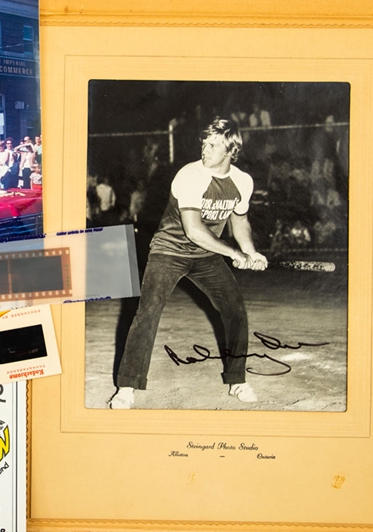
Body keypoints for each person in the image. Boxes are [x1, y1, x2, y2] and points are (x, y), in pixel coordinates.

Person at [109, 117, 268, 409]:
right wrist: (234, 254)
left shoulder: (243, 181)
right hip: (169, 251)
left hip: (206, 257)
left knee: (235, 311)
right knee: (148, 313)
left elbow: (239, 221)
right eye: (204, 143)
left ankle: (237, 381)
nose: (205, 149)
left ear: (231, 150)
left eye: (213, 144)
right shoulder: (190, 175)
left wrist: (250, 251)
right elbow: (194, 230)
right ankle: (127, 387)